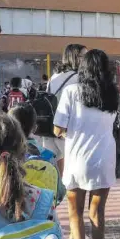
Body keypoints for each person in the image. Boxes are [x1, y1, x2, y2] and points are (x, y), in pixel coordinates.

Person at [53, 49, 119, 239]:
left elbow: (58, 128)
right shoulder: (113, 95)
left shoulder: (71, 92)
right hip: (103, 160)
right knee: (97, 215)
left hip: (77, 160)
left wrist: (70, 130)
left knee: (75, 213)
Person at [44, 44, 87, 176]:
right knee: (73, 172)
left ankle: (56, 193)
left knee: (53, 168)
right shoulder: (78, 78)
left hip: (51, 127)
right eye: (84, 56)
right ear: (74, 57)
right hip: (68, 129)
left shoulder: (54, 76)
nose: (86, 60)